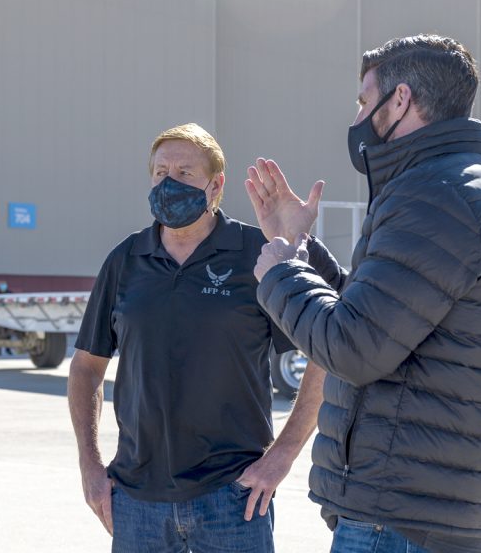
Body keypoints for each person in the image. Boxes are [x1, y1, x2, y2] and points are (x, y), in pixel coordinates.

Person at [249, 35, 481, 553]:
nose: (358, 116)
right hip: (431, 508)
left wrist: (280, 274)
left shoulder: (434, 196)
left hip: (400, 516)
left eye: (364, 100)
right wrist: (303, 248)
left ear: (400, 100)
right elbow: (384, 314)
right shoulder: (468, 188)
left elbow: (353, 347)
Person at [67, 123, 327, 552]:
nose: (169, 182)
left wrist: (282, 456)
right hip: (136, 503)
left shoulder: (257, 253)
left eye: (185, 172)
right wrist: (90, 466)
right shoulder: (126, 259)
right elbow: (86, 367)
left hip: (233, 499)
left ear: (215, 184)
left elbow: (324, 352)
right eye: (160, 171)